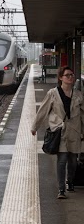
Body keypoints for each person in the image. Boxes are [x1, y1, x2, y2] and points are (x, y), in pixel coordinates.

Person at [32, 66, 84, 199]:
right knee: (62, 160)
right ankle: (61, 189)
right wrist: (35, 127)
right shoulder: (53, 94)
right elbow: (42, 111)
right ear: (61, 78)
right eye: (67, 75)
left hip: (75, 131)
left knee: (73, 160)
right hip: (60, 131)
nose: (71, 77)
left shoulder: (78, 95)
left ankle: (70, 181)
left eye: (72, 75)